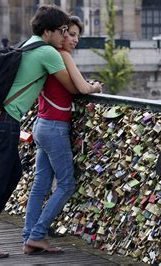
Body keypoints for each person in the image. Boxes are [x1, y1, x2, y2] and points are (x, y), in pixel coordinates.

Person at [0, 5, 86, 261]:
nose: (65, 36)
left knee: (12, 175)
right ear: (49, 31)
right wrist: (92, 85)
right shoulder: (47, 52)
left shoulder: (27, 44)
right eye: (63, 31)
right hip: (3, 122)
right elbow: (74, 87)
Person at [22, 16, 102, 255]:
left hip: (41, 124)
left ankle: (29, 237)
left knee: (40, 184)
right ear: (61, 33)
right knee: (66, 184)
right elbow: (82, 88)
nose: (74, 39)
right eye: (71, 34)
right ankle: (37, 235)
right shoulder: (61, 55)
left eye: (77, 35)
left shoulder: (47, 54)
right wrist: (95, 86)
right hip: (55, 127)